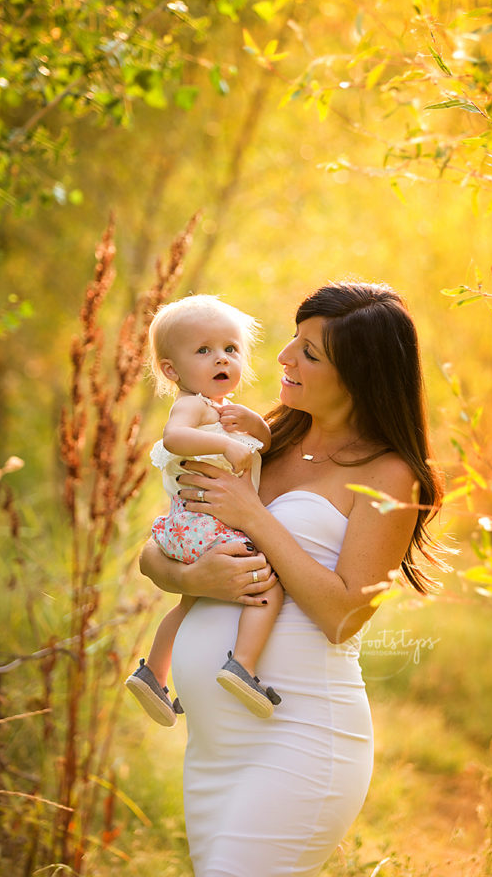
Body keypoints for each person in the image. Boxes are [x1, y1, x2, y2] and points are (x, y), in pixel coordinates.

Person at [139, 281, 444, 877]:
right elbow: (154, 556)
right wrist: (199, 575)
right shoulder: (263, 440)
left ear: (361, 372)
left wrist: (253, 516)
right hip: (214, 749)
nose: (282, 358)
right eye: (293, 340)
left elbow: (344, 615)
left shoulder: (389, 475)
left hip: (299, 740)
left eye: (310, 352)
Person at [125, 294, 283, 727]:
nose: (222, 359)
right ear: (172, 370)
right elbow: (174, 437)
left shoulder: (222, 411)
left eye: (230, 349)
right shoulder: (191, 405)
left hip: (192, 528)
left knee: (188, 604)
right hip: (203, 524)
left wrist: (255, 426)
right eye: (204, 350)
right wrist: (226, 442)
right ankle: (243, 667)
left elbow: (262, 448)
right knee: (266, 587)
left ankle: (153, 674)